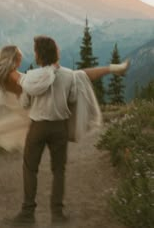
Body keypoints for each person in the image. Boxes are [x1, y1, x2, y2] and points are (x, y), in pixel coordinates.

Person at [10, 35, 129, 226]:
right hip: (59, 127)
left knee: (30, 168)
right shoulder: (69, 75)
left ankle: (27, 214)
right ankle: (57, 214)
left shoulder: (32, 76)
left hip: (38, 127)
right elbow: (73, 99)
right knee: (59, 170)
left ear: (39, 54)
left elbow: (25, 103)